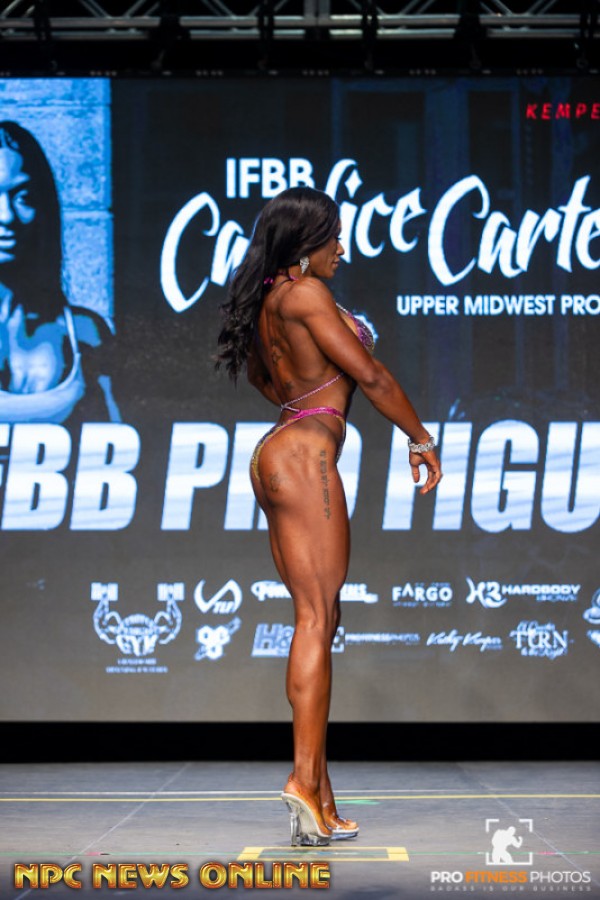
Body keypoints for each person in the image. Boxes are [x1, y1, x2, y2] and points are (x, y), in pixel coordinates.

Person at [216, 186, 442, 847]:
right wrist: (420, 438)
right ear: (304, 244)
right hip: (304, 458)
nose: (342, 249)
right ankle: (301, 780)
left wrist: (308, 402)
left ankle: (320, 795)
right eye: (333, 238)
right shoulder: (306, 294)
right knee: (316, 619)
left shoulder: (268, 302)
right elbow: (370, 376)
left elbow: (266, 381)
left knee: (320, 617)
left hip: (278, 452)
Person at [0, 120, 119, 424]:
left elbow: (122, 441)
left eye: (23, 197)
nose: (7, 216)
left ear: (43, 206)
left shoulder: (83, 331)